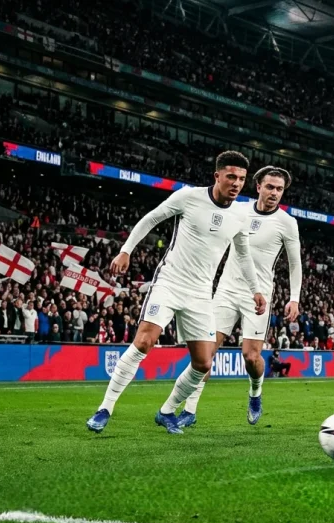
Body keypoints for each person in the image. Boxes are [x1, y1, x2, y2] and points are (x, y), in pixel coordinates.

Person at [86, 151, 265, 434]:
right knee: (144, 342)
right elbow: (151, 219)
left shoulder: (240, 215)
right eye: (231, 176)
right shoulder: (189, 197)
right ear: (217, 175)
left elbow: (243, 255)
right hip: (169, 282)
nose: (236, 183)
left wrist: (256, 290)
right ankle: (104, 408)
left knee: (203, 363)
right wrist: (125, 251)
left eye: (242, 179)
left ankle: (167, 411)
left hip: (201, 294)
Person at [175, 166, 302, 428]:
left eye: (279, 189)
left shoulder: (287, 223)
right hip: (226, 291)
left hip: (258, 297)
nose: (274, 193)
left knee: (251, 357)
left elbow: (294, 264)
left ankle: (255, 392)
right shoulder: (238, 210)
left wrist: (295, 298)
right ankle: (190, 410)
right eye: (270, 187)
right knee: (205, 355)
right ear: (258, 187)